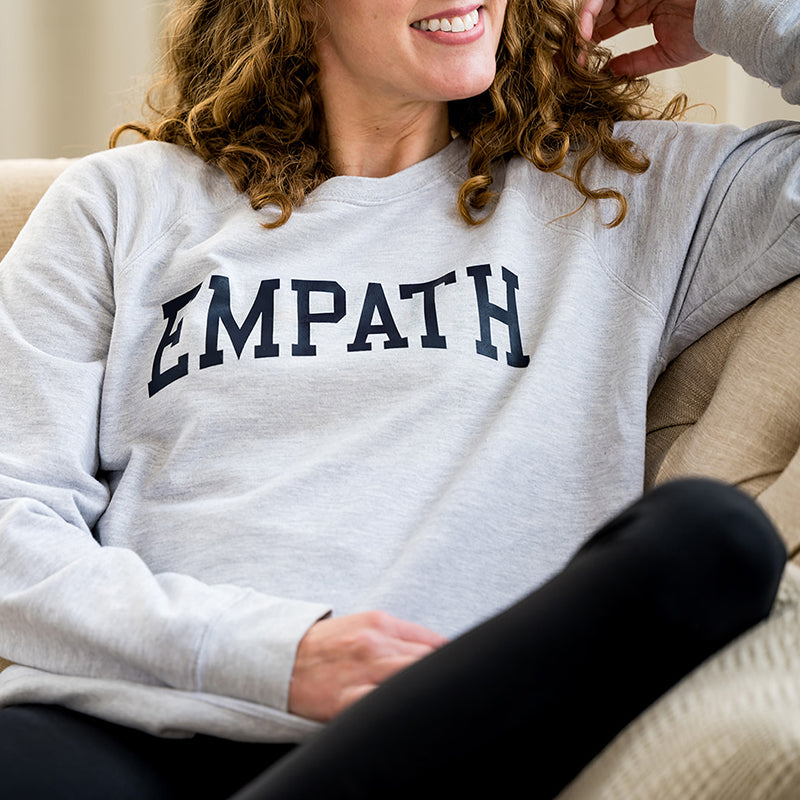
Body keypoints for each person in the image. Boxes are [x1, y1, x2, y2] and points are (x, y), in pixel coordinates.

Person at [0, 0, 795, 797]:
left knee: (715, 538)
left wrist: (731, 9)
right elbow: (12, 520)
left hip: (442, 737)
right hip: (119, 730)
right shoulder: (120, 206)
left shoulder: (615, 191)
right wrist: (277, 655)